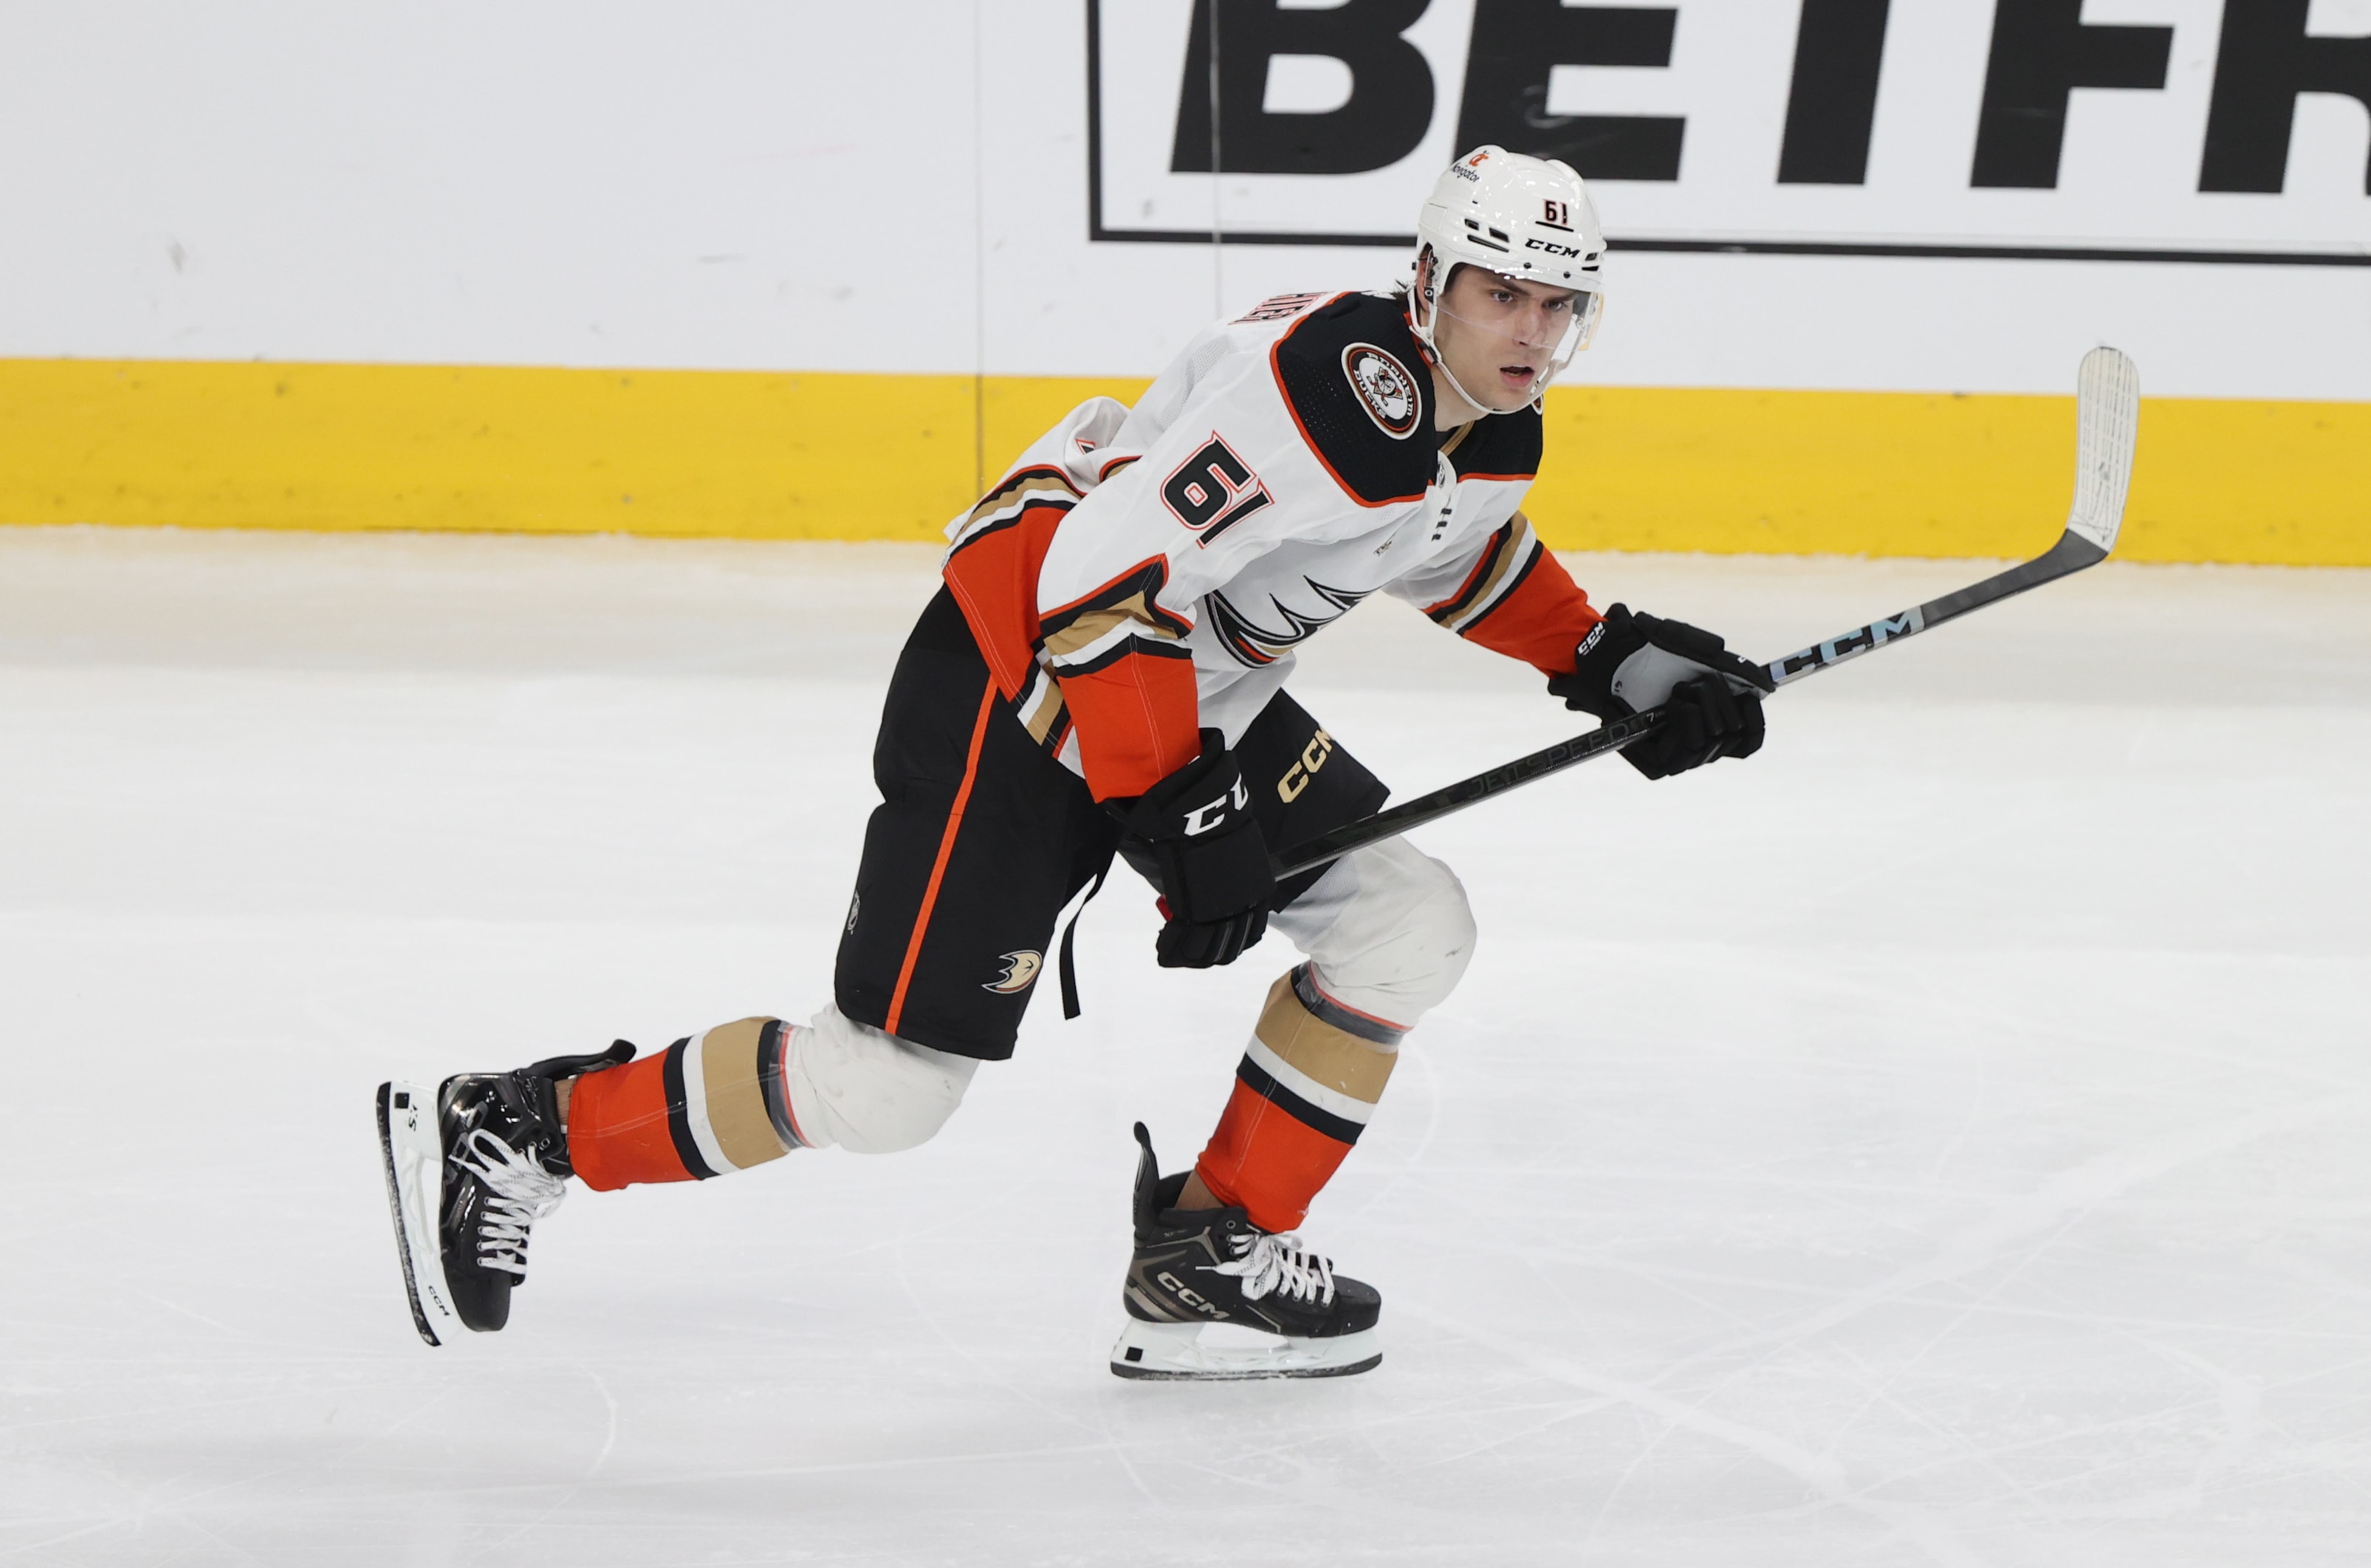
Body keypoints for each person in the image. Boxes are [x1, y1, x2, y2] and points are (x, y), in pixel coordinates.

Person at [375, 145, 1767, 1380]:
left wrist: (1609, 658)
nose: (1531, 332)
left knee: (1410, 926)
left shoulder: (1484, 421)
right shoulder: (1331, 403)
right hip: (1017, 684)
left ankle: (1211, 1250)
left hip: (1180, 689)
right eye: (1500, 294)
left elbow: (1445, 550)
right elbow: (1096, 583)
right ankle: (525, 1127)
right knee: (888, 1088)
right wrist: (1175, 806)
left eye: (1556, 304)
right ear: (1430, 280)